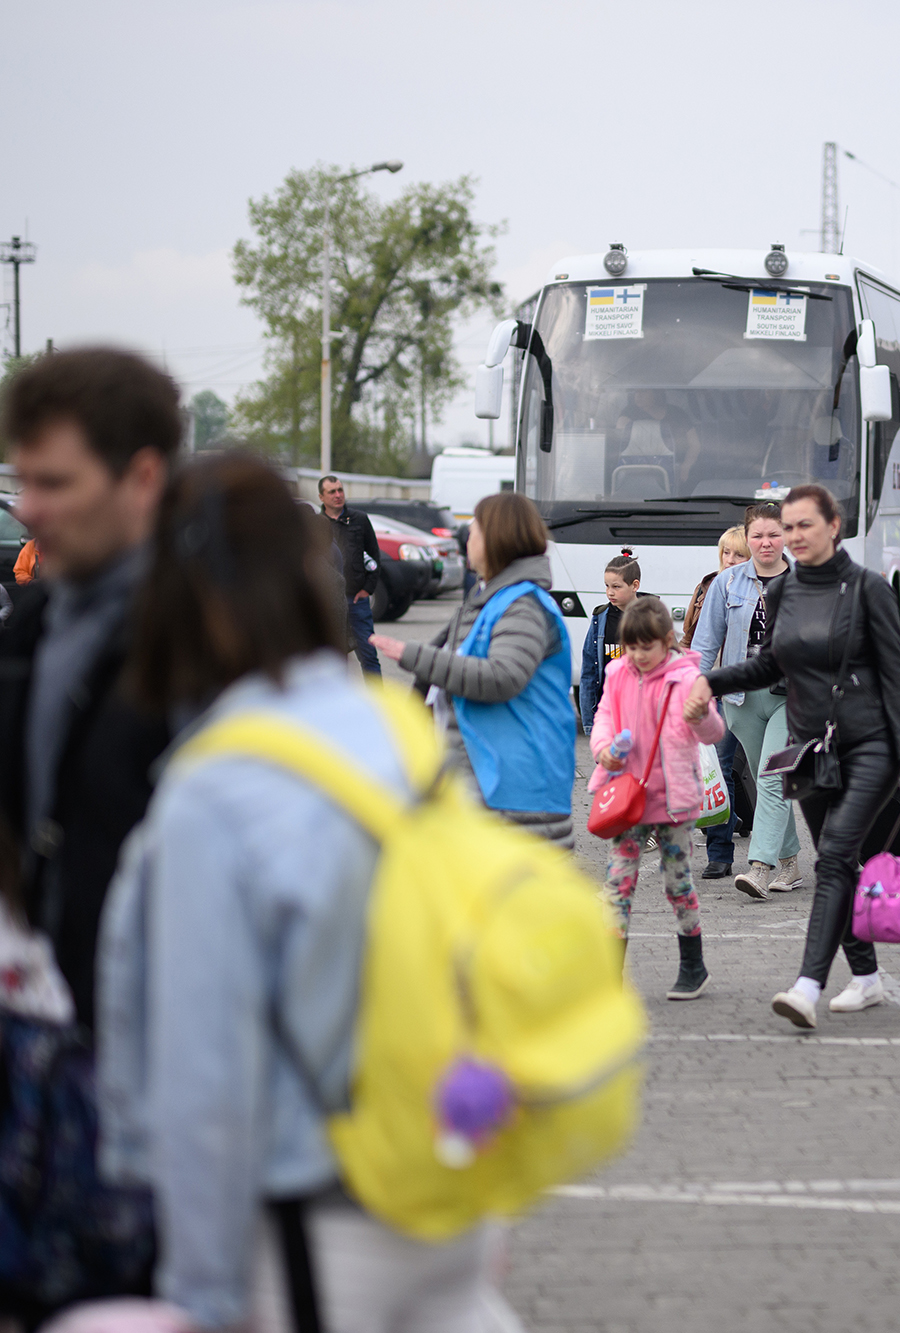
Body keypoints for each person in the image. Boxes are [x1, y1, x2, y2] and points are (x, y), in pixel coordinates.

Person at [95, 451, 522, 1332]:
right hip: (443, 1188)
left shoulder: (216, 791)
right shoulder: (382, 730)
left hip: (311, 1220)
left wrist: (202, 1294)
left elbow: (205, 1077)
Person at [686, 485, 900, 1030]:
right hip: (809, 746)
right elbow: (771, 665)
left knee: (837, 856)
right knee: (838, 861)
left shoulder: (869, 589)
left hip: (870, 745)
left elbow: (896, 676)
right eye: (785, 527)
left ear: (834, 526)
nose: (793, 536)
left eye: (803, 526)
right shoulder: (785, 593)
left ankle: (807, 986)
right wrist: (710, 679)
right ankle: (865, 976)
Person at [0, 347, 175, 1037]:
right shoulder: (31, 628)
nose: (27, 506)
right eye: (24, 480)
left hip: (149, 1051)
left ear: (142, 478)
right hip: (41, 1036)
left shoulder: (203, 652)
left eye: (56, 483)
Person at [371, 492, 575, 848]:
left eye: (475, 529)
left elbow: (502, 677)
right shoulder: (491, 599)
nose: (467, 537)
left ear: (498, 538)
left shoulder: (522, 605)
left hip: (514, 795)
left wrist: (414, 655)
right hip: (486, 788)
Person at [588, 595, 728, 996]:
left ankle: (693, 966)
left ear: (667, 640)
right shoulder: (617, 673)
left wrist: (701, 715)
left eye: (646, 646)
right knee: (618, 884)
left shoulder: (687, 679)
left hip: (673, 802)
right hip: (627, 797)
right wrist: (603, 750)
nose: (638, 655)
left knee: (677, 881)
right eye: (631, 647)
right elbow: (604, 717)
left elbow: (714, 734)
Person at [690, 503, 804, 899]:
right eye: (757, 535)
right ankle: (789, 862)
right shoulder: (727, 583)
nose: (765, 543)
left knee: (773, 775)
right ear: (747, 536)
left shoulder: (807, 581)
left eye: (773, 534)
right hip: (740, 698)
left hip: (793, 698)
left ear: (786, 535)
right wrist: (697, 691)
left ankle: (759, 866)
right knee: (764, 777)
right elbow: (706, 644)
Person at [683, 526, 754, 878]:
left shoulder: (759, 590)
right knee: (717, 771)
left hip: (754, 692)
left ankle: (769, 854)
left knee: (761, 771)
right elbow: (695, 639)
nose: (730, 560)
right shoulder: (707, 587)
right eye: (726, 553)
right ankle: (720, 852)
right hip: (718, 694)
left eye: (738, 554)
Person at [317, 474, 385, 675]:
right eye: (332, 492)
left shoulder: (359, 520)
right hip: (330, 603)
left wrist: (367, 589)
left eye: (340, 490)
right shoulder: (317, 523)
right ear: (321, 497)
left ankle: (376, 703)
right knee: (334, 658)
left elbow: (374, 556)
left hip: (356, 600)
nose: (338, 495)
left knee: (368, 656)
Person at [578, 551, 642, 732]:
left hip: (641, 712)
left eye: (616, 586)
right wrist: (590, 722)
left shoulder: (650, 616)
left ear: (634, 585)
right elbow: (589, 671)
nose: (610, 592)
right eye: (607, 586)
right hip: (609, 710)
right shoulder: (600, 618)